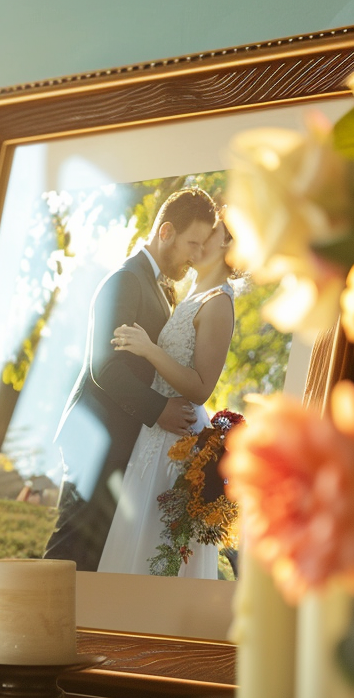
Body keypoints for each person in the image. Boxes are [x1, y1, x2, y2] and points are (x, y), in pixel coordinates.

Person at [43, 188, 217, 571]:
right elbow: (104, 366)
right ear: (166, 232)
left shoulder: (159, 287)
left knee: (96, 561)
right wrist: (159, 411)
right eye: (193, 243)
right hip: (97, 442)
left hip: (123, 444)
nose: (196, 256)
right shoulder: (125, 279)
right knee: (69, 558)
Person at [97, 217, 240, 579]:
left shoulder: (219, 303)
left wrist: (148, 349)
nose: (202, 238)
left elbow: (202, 386)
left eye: (213, 233)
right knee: (136, 542)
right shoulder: (190, 295)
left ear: (228, 245)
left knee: (161, 548)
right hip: (156, 434)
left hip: (178, 436)